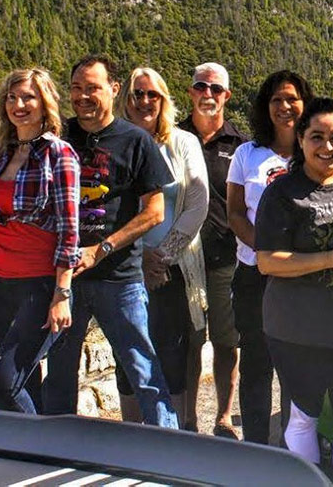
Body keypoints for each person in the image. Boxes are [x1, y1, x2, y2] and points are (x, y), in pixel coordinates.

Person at [42, 55, 178, 428]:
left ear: (114, 90)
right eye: (76, 88)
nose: (83, 96)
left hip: (119, 277)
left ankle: (169, 451)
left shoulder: (135, 141)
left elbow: (155, 212)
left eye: (93, 88)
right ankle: (58, 448)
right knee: (59, 372)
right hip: (64, 278)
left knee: (143, 369)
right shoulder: (58, 136)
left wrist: (102, 249)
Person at [255, 98, 333, 471]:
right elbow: (267, 261)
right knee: (303, 416)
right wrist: (331, 259)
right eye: (316, 137)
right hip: (295, 328)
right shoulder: (282, 192)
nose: (326, 147)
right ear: (301, 140)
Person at [0, 68, 80, 414]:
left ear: (45, 103)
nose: (19, 105)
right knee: (24, 382)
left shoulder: (59, 155)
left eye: (28, 97)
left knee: (3, 383)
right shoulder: (5, 153)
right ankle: (28, 459)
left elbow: (69, 230)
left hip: (38, 285)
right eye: (12, 97)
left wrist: (61, 294)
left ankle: (42, 451)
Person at [115, 67, 209, 428]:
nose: (144, 101)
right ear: (126, 100)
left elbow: (197, 204)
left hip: (173, 268)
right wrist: (138, 259)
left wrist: (161, 258)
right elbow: (112, 208)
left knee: (173, 354)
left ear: (164, 99)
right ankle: (133, 438)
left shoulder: (183, 143)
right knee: (128, 356)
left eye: (152, 94)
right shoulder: (116, 142)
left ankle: (172, 437)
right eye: (137, 94)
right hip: (125, 269)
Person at [225, 69, 313, 444]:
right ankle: (258, 444)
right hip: (254, 273)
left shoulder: (314, 150)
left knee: (297, 364)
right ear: (266, 106)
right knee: (257, 364)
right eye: (276, 99)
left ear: (305, 103)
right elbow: (233, 212)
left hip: (301, 275)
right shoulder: (248, 153)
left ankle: (297, 446)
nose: (284, 106)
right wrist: (263, 251)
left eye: (292, 98)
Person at [178, 62, 246, 438]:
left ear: (226, 96)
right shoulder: (172, 138)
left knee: (226, 340)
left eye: (216, 89)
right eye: (201, 86)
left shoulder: (240, 146)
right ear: (190, 92)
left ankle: (222, 416)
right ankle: (188, 419)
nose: (208, 94)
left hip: (225, 256)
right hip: (181, 260)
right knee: (189, 340)